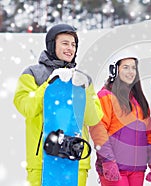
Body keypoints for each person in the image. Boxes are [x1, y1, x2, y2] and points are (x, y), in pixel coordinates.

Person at [13, 23, 103, 186]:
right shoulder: (32, 74)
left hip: (75, 162)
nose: (70, 48)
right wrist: (49, 84)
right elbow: (27, 108)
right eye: (65, 43)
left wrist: (82, 92)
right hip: (42, 162)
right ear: (52, 45)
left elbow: (93, 118)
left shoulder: (83, 79)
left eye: (74, 44)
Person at [89, 53, 151, 186]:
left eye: (133, 68)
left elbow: (149, 135)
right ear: (115, 70)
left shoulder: (139, 101)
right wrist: (108, 160)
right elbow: (98, 130)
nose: (131, 72)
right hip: (115, 168)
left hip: (137, 170)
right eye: (126, 67)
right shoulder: (106, 96)